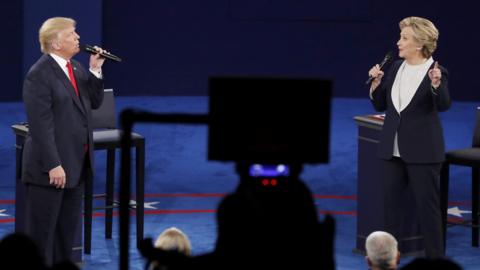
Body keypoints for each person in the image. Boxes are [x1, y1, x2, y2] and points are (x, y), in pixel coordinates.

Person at [22, 17, 106, 265]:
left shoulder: (77, 68)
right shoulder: (38, 75)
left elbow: (94, 102)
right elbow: (40, 126)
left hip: (76, 166)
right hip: (51, 170)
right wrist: (53, 164)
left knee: (65, 237)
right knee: (42, 236)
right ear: (56, 43)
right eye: (72, 34)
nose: (78, 37)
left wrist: (95, 69)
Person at [367, 16, 451, 258]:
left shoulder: (436, 72)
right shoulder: (394, 68)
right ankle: (388, 261)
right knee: (391, 211)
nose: (398, 42)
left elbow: (444, 104)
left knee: (428, 212)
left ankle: (436, 258)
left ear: (419, 44)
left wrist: (436, 85)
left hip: (423, 152)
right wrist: (376, 85)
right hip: (392, 151)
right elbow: (381, 104)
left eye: (404, 38)